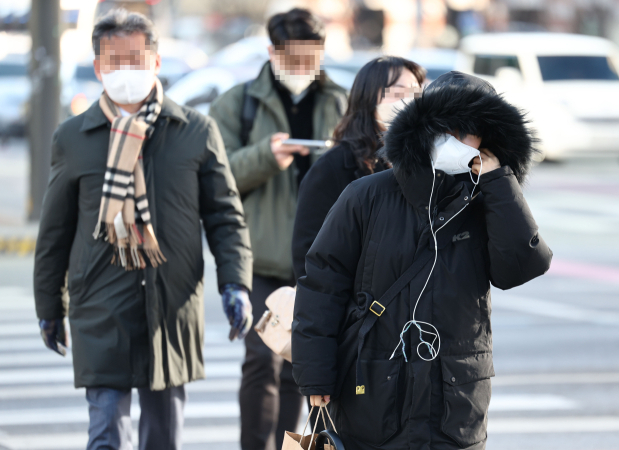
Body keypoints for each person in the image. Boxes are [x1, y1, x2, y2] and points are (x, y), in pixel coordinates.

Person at [291, 71, 553, 450]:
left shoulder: (490, 200)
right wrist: (315, 375)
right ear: (424, 127)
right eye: (447, 129)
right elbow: (322, 284)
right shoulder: (368, 195)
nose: (457, 141)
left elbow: (520, 268)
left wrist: (498, 181)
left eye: (470, 131)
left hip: (454, 397)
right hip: (372, 390)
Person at [33, 9, 253, 450]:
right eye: (114, 61)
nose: (125, 70)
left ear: (155, 61)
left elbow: (225, 217)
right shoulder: (74, 136)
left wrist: (236, 284)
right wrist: (48, 305)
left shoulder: (194, 130)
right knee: (106, 435)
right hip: (100, 304)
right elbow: (55, 229)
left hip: (170, 308)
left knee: (162, 438)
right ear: (97, 67)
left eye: (135, 58)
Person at [209, 8, 347, 450]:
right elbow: (215, 174)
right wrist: (268, 156)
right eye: (294, 57)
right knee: (261, 360)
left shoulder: (340, 101)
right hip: (263, 256)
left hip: (322, 258)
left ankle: (293, 446)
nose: (304, 68)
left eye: (313, 57)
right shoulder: (238, 102)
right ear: (272, 52)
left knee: (301, 365)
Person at [292, 56, 424, 282]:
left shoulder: (425, 161)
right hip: (359, 308)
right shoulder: (333, 167)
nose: (409, 101)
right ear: (369, 97)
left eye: (416, 93)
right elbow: (310, 256)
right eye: (398, 92)